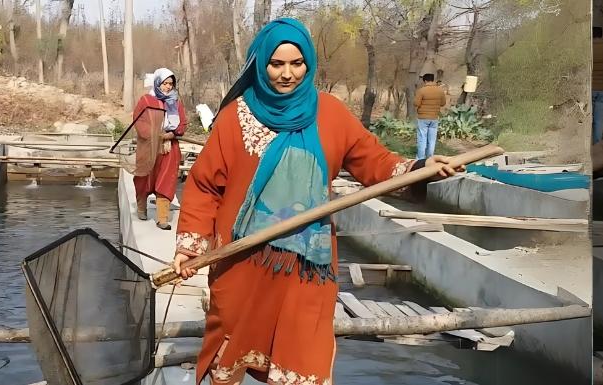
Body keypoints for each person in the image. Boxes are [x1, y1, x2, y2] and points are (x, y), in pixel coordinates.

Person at [171, 18, 462, 385]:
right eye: (276, 64)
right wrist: (189, 246)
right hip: (241, 261)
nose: (287, 74)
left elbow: (375, 161)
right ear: (260, 64)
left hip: (306, 266)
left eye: (297, 63)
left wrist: (421, 168)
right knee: (230, 351)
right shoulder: (234, 118)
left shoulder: (331, 113)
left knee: (304, 354)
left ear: (309, 63)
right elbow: (204, 187)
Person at [133, 68, 187, 230]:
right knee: (145, 177)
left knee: (167, 180)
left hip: (170, 149)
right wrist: (155, 134)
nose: (168, 87)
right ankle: (142, 207)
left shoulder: (176, 102)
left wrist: (173, 134)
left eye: (171, 84)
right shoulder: (146, 101)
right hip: (149, 147)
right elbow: (139, 121)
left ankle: (162, 218)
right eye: (165, 83)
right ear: (158, 83)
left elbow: (182, 123)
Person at [414, 73, 447, 159]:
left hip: (423, 118)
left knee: (422, 138)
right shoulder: (440, 91)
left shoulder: (421, 91)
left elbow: (416, 103)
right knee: (432, 140)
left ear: (425, 81)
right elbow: (443, 103)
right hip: (434, 118)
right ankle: (430, 158)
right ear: (433, 80)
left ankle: (420, 159)